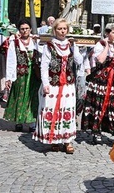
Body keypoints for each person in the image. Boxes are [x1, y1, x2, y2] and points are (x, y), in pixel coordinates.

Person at [35, 18, 83, 154]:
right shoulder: (49, 46)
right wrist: (45, 84)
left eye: (64, 29)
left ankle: (67, 140)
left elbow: (79, 61)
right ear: (54, 30)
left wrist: (75, 48)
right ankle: (54, 139)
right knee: (51, 109)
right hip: (53, 83)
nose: (62, 31)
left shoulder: (71, 44)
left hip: (68, 84)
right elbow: (44, 66)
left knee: (67, 110)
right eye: (59, 29)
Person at [81, 22, 114, 143]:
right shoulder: (100, 45)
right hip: (101, 79)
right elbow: (100, 60)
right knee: (99, 104)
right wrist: (107, 46)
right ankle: (96, 131)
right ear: (108, 33)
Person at [4, 20, 40, 133]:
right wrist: (9, 77)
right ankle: (18, 121)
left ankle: (32, 122)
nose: (25, 31)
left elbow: (42, 53)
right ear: (19, 30)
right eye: (22, 29)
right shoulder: (14, 43)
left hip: (34, 74)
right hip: (21, 73)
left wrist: (38, 41)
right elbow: (11, 61)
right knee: (19, 96)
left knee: (33, 97)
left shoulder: (35, 42)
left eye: (27, 28)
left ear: (30, 29)